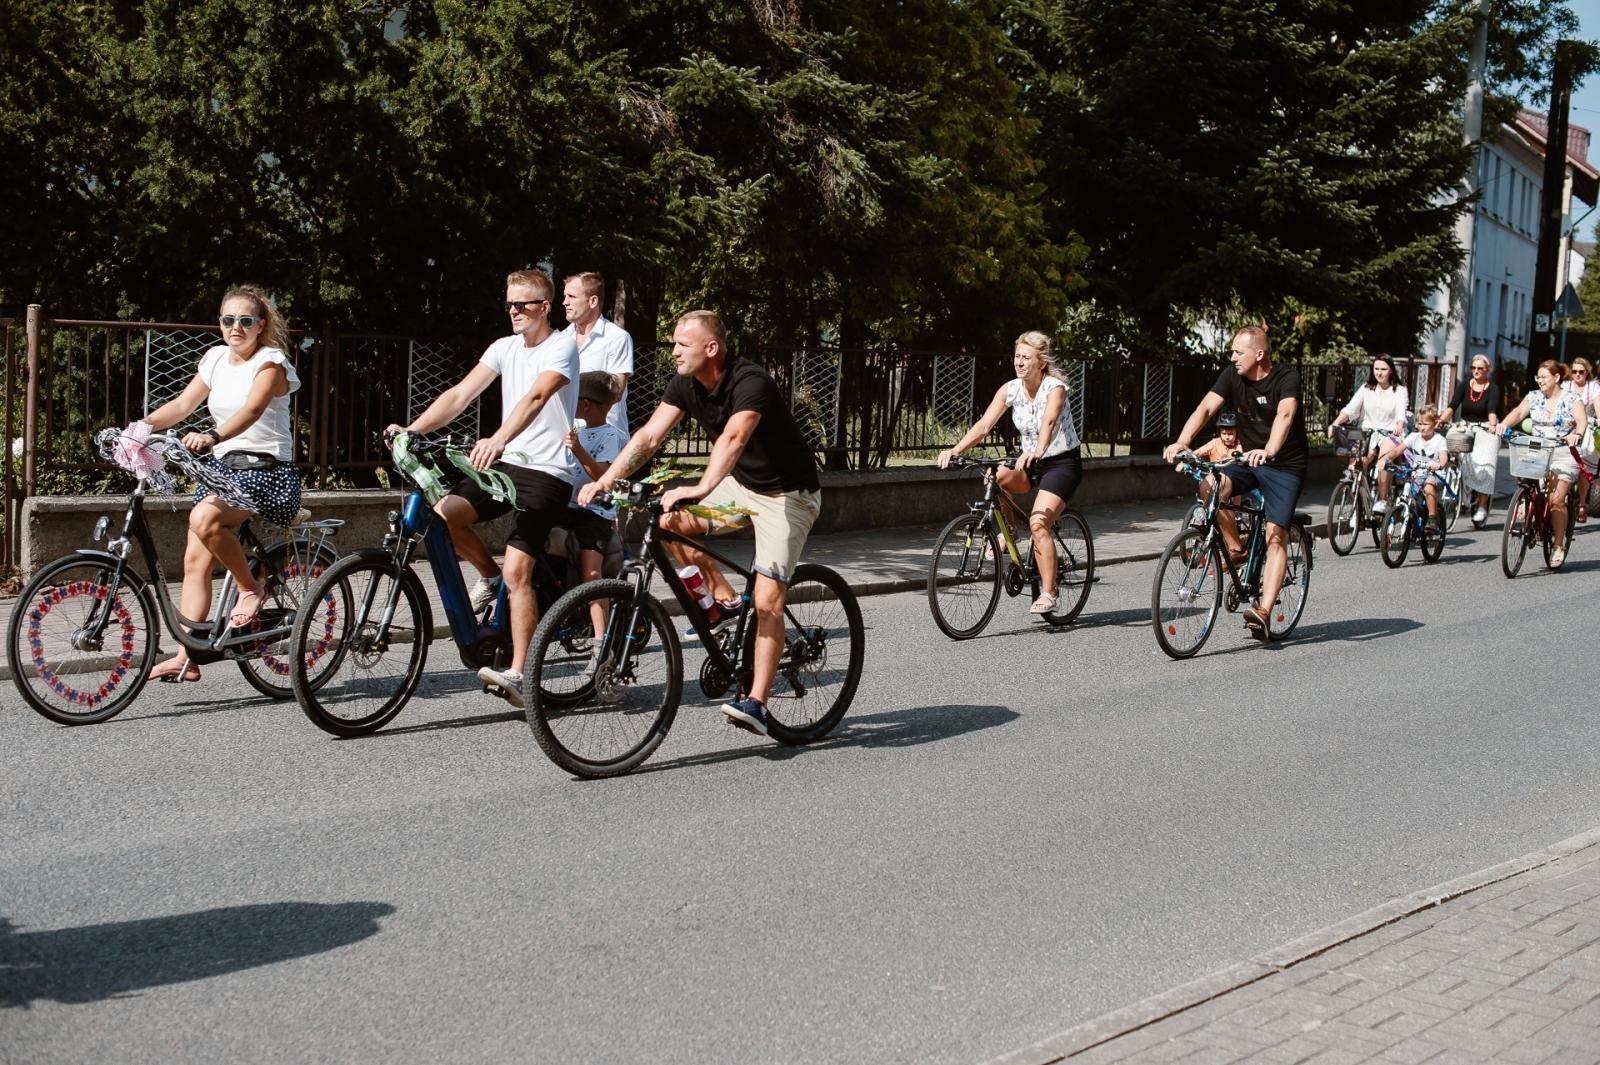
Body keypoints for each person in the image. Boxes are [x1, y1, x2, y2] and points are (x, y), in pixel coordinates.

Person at [577, 310, 821, 738]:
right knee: (670, 521)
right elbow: (649, 437)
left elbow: (734, 438)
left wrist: (702, 487)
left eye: (681, 345)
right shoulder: (684, 384)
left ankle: (758, 703)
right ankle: (721, 602)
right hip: (743, 485)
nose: (672, 352)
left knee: (767, 603)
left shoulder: (751, 381)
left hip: (788, 495)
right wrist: (605, 480)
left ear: (712, 349)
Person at [388, 269, 579, 706]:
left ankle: (520, 672)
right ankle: (488, 578)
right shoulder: (503, 347)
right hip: (507, 467)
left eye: (523, 305)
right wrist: (412, 429)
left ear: (544, 307)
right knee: (444, 514)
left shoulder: (561, 345)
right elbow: (460, 394)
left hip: (547, 472)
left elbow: (536, 396)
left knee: (520, 572)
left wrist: (498, 438)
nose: (514, 311)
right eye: (509, 304)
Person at [137, 284, 302, 682]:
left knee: (205, 520)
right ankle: (186, 656)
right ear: (220, 323)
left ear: (260, 325)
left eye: (246, 321)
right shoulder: (214, 359)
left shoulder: (271, 362)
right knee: (194, 561)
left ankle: (251, 589)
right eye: (229, 320)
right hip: (224, 471)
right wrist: (139, 427)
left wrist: (213, 437)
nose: (236, 328)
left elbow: (253, 407)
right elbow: (182, 405)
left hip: (266, 472)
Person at [1164, 324, 1309, 637]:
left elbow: (1286, 414)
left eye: (1237, 351)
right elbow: (1205, 407)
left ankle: (1263, 610)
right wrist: (1182, 442)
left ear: (1259, 354)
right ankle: (1236, 547)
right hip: (1248, 459)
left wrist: (1270, 449)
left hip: (1284, 465)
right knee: (1209, 484)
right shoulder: (1232, 375)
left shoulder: (1287, 377)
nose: (1232, 357)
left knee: (1275, 535)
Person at [937, 331, 1084, 613]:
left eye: (1026, 357)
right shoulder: (1011, 389)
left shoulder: (1055, 387)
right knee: (994, 476)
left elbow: (1050, 421)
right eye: (1017, 356)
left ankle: (1049, 592)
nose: (1019, 362)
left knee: (1039, 523)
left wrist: (1039, 449)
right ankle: (1010, 534)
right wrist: (956, 450)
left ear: (1040, 363)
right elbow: (983, 426)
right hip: (1027, 461)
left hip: (1061, 462)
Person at [563, 371, 629, 674]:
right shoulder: (575, 428)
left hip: (595, 514)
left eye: (576, 398)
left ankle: (602, 645)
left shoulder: (611, 436)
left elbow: (604, 476)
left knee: (592, 573)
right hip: (568, 507)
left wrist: (578, 450)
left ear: (586, 404)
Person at [1500, 359, 1589, 568]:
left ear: (1557, 378)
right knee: (1528, 482)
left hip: (1563, 451)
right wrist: (1503, 424)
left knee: (1557, 499)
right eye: (1537, 377)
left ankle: (1558, 545)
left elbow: (1582, 420)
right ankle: (1530, 509)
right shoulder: (1533, 397)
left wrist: (1577, 434)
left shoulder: (1571, 398)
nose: (1540, 381)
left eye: (1544, 377)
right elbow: (1519, 413)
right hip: (1537, 450)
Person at [1327, 354, 1409, 513]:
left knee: (1384, 459)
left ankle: (1383, 500)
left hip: (1389, 432)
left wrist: (1399, 424)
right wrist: (1335, 423)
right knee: (1356, 464)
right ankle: (1356, 504)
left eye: (1383, 369)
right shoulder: (1366, 388)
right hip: (1367, 432)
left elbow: (1401, 413)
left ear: (1390, 370)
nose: (1379, 373)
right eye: (1376, 369)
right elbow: (1350, 409)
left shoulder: (1399, 390)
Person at [560, 272, 633, 434]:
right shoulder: (561, 339)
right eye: (565, 296)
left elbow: (615, 392)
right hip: (566, 435)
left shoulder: (617, 338)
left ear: (593, 301)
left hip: (605, 438)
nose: (565, 302)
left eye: (571, 296)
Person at [1438, 353, 1500, 524]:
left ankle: (1482, 505)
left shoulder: (1493, 388)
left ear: (1487, 369)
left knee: (1487, 464)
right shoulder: (1465, 385)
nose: (1476, 371)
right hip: (1466, 426)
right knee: (1456, 452)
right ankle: (1461, 489)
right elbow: (1453, 405)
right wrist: (1441, 420)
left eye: (1480, 368)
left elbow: (1492, 409)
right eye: (1473, 368)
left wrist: (1493, 426)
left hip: (1485, 427)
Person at [1379, 405, 1449, 534]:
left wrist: (1439, 464)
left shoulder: (1439, 440)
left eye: (1426, 424)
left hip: (1433, 474)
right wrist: (1385, 459)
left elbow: (1444, 457)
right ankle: (1409, 520)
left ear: (1434, 424)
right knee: (1406, 494)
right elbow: (1397, 450)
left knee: (1428, 486)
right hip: (1417, 473)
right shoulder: (1414, 437)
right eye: (1420, 423)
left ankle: (1432, 519)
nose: (1422, 427)